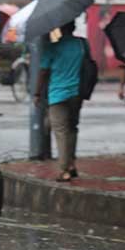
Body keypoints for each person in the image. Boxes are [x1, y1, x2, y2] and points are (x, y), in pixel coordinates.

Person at [34, 21, 86, 182]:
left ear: (61, 29)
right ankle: (71, 164)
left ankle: (64, 170)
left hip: (57, 94)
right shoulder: (81, 44)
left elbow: (43, 71)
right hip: (76, 93)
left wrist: (37, 93)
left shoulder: (53, 47)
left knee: (61, 131)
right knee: (72, 128)